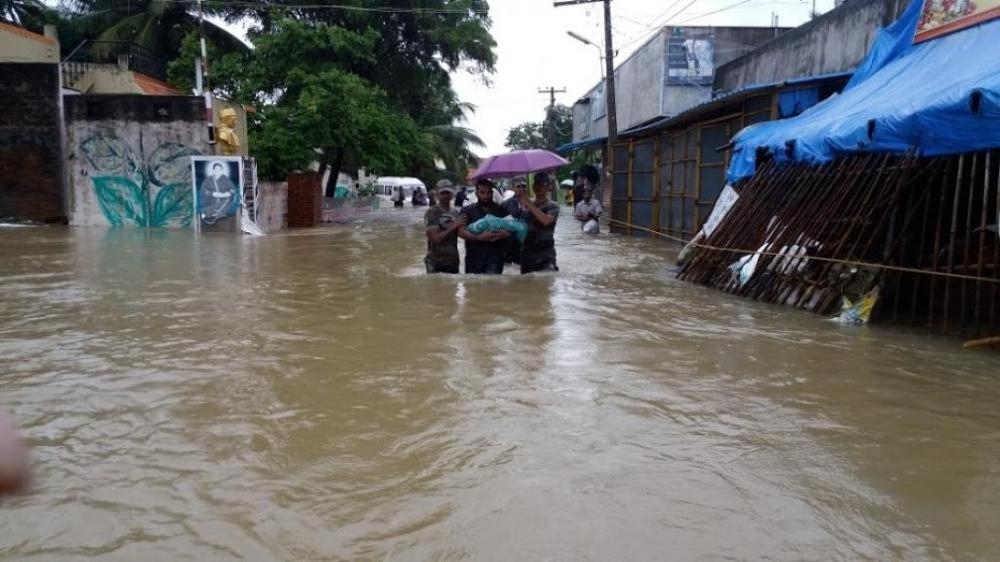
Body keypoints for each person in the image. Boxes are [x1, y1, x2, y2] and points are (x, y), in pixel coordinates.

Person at [459, 179, 511, 274]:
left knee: (492, 287)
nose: (486, 196)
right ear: (476, 193)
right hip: (473, 258)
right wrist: (478, 237)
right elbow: (460, 231)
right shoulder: (467, 211)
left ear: (492, 193)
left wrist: (503, 234)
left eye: (488, 193)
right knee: (473, 287)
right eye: (482, 193)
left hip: (495, 258)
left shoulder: (501, 210)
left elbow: (512, 229)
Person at [518, 172, 560, 273]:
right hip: (527, 254)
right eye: (537, 184)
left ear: (548, 187)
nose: (539, 187)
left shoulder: (552, 206)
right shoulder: (525, 207)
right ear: (532, 186)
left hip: (546, 254)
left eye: (543, 185)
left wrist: (528, 203)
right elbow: (520, 228)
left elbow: (546, 221)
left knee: (545, 283)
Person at [424, 181, 466, 274]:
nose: (446, 196)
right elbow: (436, 239)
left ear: (452, 194)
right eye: (443, 193)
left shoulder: (455, 212)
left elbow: (462, 234)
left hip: (453, 262)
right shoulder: (432, 212)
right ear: (437, 195)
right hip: (435, 262)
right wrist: (454, 225)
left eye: (448, 193)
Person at [500, 176, 529, 264]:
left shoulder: (533, 204)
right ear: (513, 188)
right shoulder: (505, 204)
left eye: (523, 186)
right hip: (509, 245)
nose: (521, 189)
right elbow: (500, 224)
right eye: (518, 186)